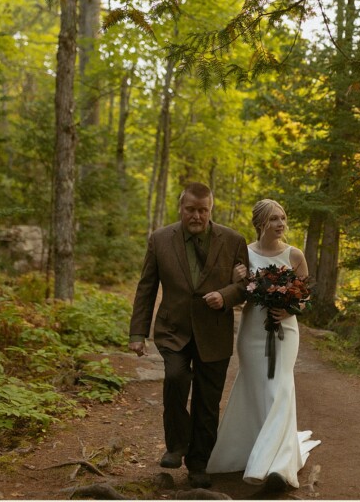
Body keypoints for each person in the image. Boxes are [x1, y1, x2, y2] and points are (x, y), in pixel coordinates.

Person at [128, 183, 249, 489]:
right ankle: (176, 445)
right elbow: (146, 287)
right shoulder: (159, 240)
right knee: (175, 379)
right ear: (180, 208)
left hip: (214, 332)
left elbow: (247, 285)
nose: (196, 216)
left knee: (207, 402)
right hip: (173, 330)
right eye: (190, 209)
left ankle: (198, 465)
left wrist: (225, 295)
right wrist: (137, 332)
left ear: (211, 209)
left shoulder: (234, 240)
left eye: (203, 210)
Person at [207, 199, 320, 494]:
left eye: (282, 218)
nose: (280, 224)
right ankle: (250, 448)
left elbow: (305, 296)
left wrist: (290, 310)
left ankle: (277, 466)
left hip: (286, 331)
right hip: (252, 331)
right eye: (273, 219)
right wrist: (237, 280)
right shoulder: (244, 254)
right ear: (260, 223)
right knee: (255, 387)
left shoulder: (294, 254)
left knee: (280, 387)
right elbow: (240, 295)